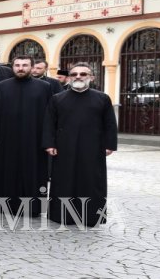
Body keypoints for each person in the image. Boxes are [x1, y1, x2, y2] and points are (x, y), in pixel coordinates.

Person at [42, 63, 118, 227]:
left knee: (91, 181)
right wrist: (49, 144)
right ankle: (61, 214)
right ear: (69, 78)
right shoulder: (57, 98)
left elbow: (110, 124)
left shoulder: (102, 98)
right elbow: (49, 123)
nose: (78, 77)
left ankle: (91, 216)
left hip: (93, 147)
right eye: (74, 74)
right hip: (64, 147)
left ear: (91, 77)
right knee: (63, 180)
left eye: (83, 74)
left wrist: (110, 144)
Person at [0, 55, 56, 218]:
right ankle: (2, 203)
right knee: (6, 169)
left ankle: (34, 205)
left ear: (32, 67)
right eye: (17, 65)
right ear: (12, 67)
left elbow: (50, 114)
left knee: (34, 170)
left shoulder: (44, 87)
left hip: (35, 138)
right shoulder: (1, 86)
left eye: (25, 65)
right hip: (6, 136)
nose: (20, 68)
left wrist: (49, 137)